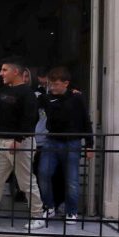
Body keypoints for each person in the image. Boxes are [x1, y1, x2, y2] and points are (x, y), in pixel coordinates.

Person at [0, 58, 45, 230]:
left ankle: (38, 216)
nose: (1, 73)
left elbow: (30, 118)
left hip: (20, 143)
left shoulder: (27, 93)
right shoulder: (2, 92)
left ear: (15, 72)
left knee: (25, 181)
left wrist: (18, 139)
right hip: (3, 142)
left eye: (4, 70)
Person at [39, 67, 94, 223]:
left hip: (72, 142)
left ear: (66, 83)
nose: (53, 87)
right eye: (51, 84)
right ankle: (49, 206)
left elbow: (85, 121)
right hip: (52, 140)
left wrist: (89, 145)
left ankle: (71, 211)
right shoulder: (46, 98)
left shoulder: (76, 98)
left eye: (56, 84)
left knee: (72, 179)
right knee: (43, 173)